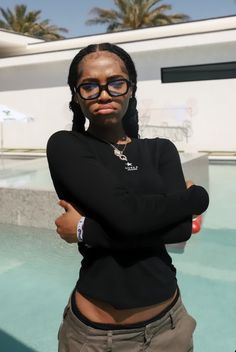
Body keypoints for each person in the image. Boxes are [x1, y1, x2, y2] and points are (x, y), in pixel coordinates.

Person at [46, 42, 209, 352]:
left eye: (115, 83)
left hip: (169, 327)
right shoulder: (66, 146)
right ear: (77, 96)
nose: (104, 94)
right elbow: (128, 218)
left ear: (131, 89)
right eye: (89, 86)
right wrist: (196, 199)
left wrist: (84, 229)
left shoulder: (161, 150)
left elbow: (180, 231)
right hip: (94, 337)